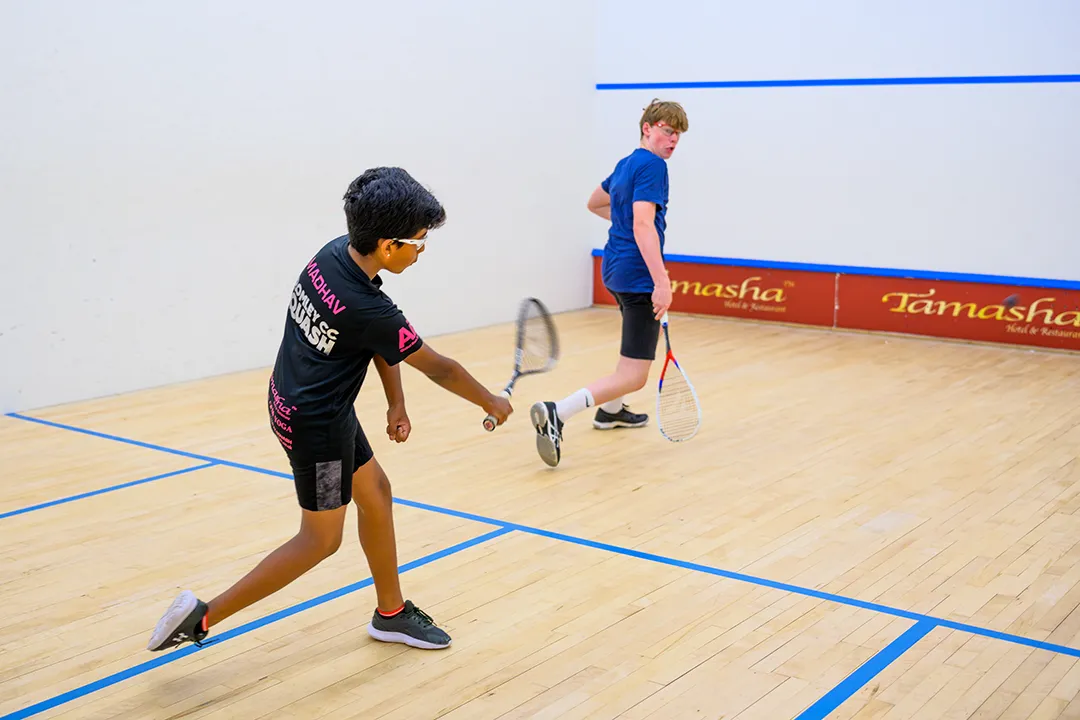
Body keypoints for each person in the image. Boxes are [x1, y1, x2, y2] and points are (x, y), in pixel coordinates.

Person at [147, 167, 512, 652]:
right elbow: (439, 368)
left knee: (377, 492)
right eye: (418, 243)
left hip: (306, 402)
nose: (420, 251)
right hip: (316, 428)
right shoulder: (368, 307)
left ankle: (392, 613)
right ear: (388, 245)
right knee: (320, 540)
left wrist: (396, 402)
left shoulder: (335, 255)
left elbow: (378, 341)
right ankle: (203, 616)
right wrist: (490, 400)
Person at [530, 99, 688, 467]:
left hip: (614, 269)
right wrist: (661, 281)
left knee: (630, 354)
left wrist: (620, 225)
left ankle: (611, 412)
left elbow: (595, 202)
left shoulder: (626, 163)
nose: (673, 140)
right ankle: (559, 412)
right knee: (634, 375)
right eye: (667, 130)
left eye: (678, 134)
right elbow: (643, 224)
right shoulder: (653, 166)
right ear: (647, 128)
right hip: (637, 277)